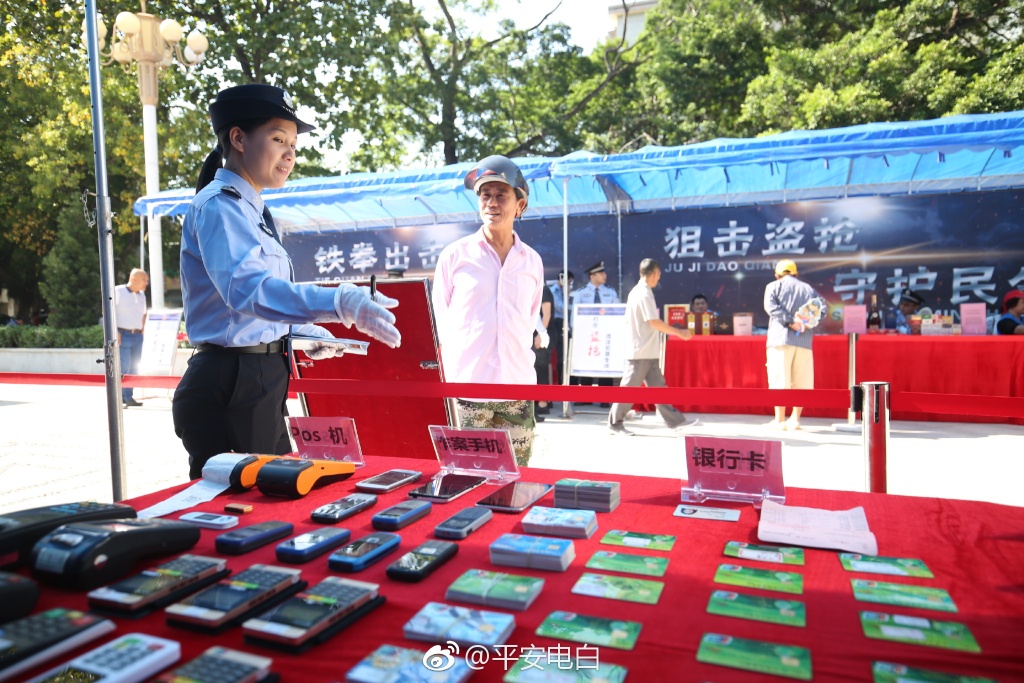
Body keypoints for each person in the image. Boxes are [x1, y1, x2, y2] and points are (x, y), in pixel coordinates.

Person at [172, 84, 402, 480]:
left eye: (294, 144)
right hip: (232, 381)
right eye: (279, 139)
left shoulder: (252, 210)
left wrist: (300, 334)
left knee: (273, 498)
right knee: (240, 507)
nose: (290, 154)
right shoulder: (220, 206)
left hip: (258, 378)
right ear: (238, 138)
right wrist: (337, 302)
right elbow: (248, 291)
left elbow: (250, 310)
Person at [432, 155, 544, 466]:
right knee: (468, 476)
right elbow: (440, 319)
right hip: (467, 391)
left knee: (517, 475)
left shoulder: (532, 261)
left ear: (520, 205)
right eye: (485, 195)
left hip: (517, 390)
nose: (491, 203)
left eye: (501, 195)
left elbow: (529, 318)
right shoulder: (455, 256)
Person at [608, 258, 698, 436]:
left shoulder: (640, 291)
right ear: (655, 273)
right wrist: (679, 333)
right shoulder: (643, 293)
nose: (659, 278)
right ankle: (614, 423)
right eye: (659, 274)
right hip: (640, 351)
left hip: (646, 349)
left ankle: (676, 421)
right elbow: (654, 322)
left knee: (658, 389)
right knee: (629, 389)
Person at [763, 258, 823, 430]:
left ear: (777, 274)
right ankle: (795, 419)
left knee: (779, 380)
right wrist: (805, 322)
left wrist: (791, 321)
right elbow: (822, 308)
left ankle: (779, 420)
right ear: (796, 274)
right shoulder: (808, 289)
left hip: (780, 339)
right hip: (804, 340)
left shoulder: (773, 286)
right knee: (802, 381)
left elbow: (771, 308)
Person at [573, 260, 620, 405]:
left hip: (605, 333)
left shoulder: (610, 292)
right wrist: (575, 332)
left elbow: (617, 312)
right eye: (600, 273)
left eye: (604, 273)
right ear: (592, 276)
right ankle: (586, 397)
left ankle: (605, 398)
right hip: (587, 334)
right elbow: (574, 315)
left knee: (605, 363)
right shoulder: (581, 293)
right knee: (587, 363)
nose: (604, 275)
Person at [114, 268, 149, 407]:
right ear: (133, 279)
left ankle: (128, 397)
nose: (146, 283)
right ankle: (119, 398)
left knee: (134, 367)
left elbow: (144, 314)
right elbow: (109, 312)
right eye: (144, 280)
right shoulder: (118, 291)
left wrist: (143, 329)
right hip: (122, 335)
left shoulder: (142, 295)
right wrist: (114, 332)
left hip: (137, 336)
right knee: (124, 366)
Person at [548, 270, 573, 385]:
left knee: (566, 353)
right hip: (557, 323)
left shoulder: (562, 290)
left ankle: (565, 378)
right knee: (560, 354)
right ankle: (560, 380)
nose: (569, 285)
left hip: (564, 323)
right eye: (569, 282)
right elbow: (562, 307)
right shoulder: (555, 291)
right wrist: (567, 295)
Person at [534, 281, 554, 418]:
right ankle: (542, 402)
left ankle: (543, 403)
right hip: (537, 334)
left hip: (542, 334)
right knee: (537, 368)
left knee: (540, 368)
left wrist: (540, 335)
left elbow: (546, 314)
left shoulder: (543, 290)